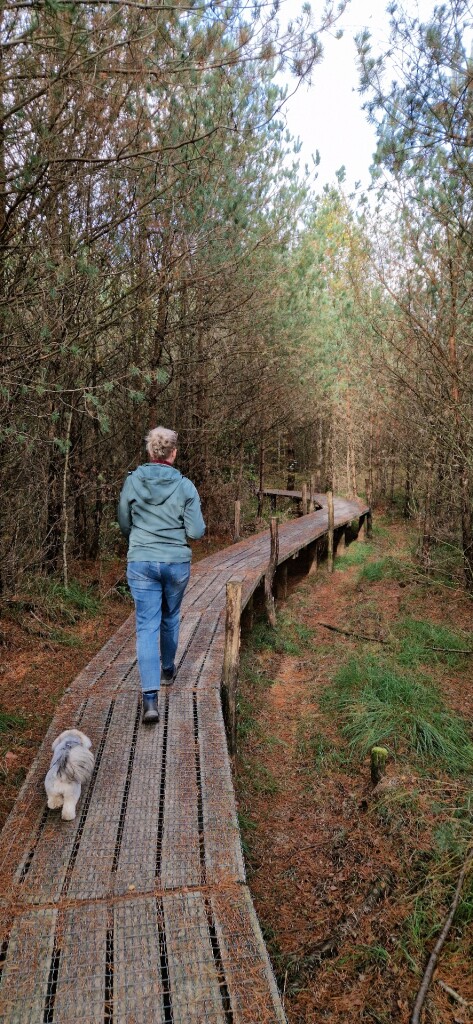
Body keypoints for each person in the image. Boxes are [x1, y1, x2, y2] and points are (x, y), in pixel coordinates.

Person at [118, 427, 206, 723]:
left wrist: (139, 539)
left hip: (141, 560)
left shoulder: (132, 481)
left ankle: (150, 701)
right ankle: (168, 669)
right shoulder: (185, 487)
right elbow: (196, 531)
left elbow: (124, 522)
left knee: (146, 626)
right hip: (175, 563)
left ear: (150, 452)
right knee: (170, 617)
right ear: (174, 453)